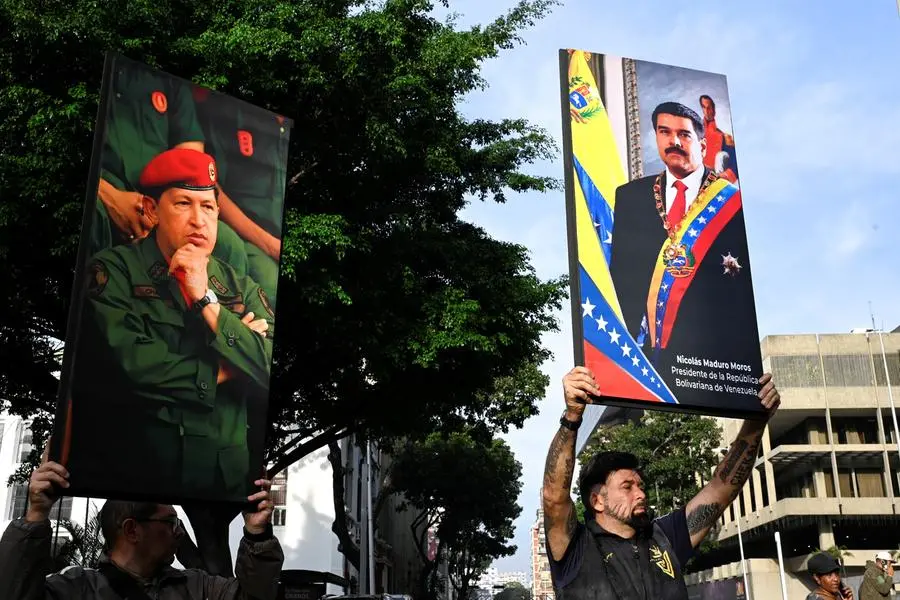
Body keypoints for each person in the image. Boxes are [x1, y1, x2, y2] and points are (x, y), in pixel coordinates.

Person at [66, 147, 275, 501]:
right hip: (142, 475)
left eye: (207, 207)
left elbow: (268, 363)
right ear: (151, 210)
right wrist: (232, 364)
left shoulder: (240, 285)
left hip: (222, 479)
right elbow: (133, 367)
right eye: (183, 204)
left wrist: (206, 301)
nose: (199, 220)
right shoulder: (113, 271)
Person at [542, 366, 780, 600]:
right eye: (627, 487)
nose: (641, 494)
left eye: (640, 486)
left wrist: (757, 421)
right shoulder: (576, 549)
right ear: (597, 501)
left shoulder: (665, 537)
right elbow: (554, 498)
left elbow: (722, 488)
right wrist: (572, 417)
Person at [0, 444, 284, 599]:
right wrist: (36, 514)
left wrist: (257, 534)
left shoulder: (198, 587)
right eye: (171, 522)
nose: (178, 533)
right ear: (132, 530)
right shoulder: (76, 589)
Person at [608, 102, 759, 387]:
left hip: (710, 362)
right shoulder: (630, 196)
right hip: (641, 358)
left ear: (702, 146)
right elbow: (621, 277)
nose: (674, 141)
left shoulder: (732, 203)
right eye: (664, 132)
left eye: (684, 134)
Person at [91, 60, 250, 277]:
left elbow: (193, 167)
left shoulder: (170, 80)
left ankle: (208, 307)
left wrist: (162, 212)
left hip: (160, 196)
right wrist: (109, 196)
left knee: (227, 242)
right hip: (103, 186)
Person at [193, 86, 290, 308]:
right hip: (249, 236)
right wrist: (272, 246)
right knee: (269, 288)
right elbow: (212, 186)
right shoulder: (229, 112)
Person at [698, 95, 736, 173]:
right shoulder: (695, 131)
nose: (706, 111)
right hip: (698, 172)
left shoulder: (724, 136)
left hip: (715, 175)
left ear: (714, 110)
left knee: (721, 155)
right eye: (704, 107)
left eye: (709, 108)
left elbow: (734, 160)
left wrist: (726, 176)